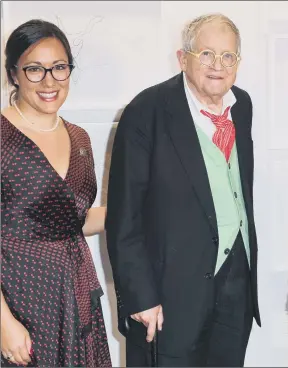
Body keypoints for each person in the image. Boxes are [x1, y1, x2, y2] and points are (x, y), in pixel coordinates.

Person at [106, 13, 260, 367]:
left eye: (227, 56)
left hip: (236, 284)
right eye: (206, 54)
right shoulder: (146, 111)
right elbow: (123, 216)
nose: (217, 65)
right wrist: (140, 296)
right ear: (183, 58)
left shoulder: (243, 106)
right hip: (170, 294)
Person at [1, 19, 111, 367]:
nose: (49, 81)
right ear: (14, 73)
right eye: (34, 69)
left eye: (59, 68)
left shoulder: (80, 138)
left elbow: (73, 223)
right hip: (18, 301)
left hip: (73, 298)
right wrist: (4, 323)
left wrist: (135, 209)